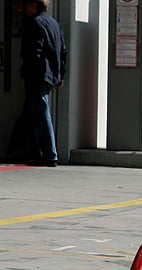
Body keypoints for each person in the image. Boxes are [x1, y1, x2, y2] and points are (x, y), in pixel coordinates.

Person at [19, 0, 67, 167]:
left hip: (38, 75)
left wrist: (28, 71)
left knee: (41, 112)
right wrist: (60, 74)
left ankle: (49, 153)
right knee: (36, 111)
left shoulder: (35, 23)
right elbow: (63, 51)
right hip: (51, 75)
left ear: (34, 5)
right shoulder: (55, 24)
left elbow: (35, 51)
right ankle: (35, 150)